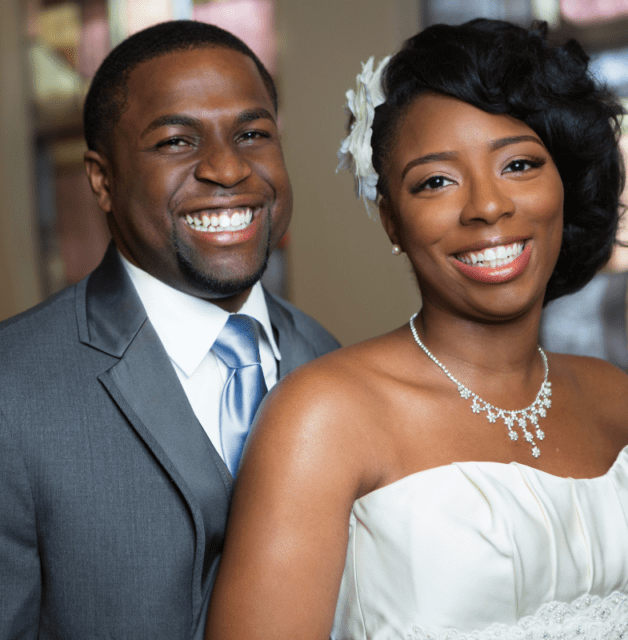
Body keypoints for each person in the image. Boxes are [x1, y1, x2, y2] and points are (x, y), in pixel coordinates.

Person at [0, 20, 339, 640]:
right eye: (176, 141)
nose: (228, 168)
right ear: (102, 180)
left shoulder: (329, 362)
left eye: (252, 134)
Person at [206, 19, 628, 640]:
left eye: (518, 164)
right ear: (392, 222)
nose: (486, 205)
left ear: (564, 183)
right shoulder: (323, 417)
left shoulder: (614, 397)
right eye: (435, 181)